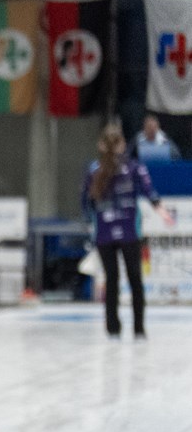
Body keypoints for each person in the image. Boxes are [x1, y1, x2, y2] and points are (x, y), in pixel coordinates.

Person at [81, 124, 173, 340]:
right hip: (129, 231)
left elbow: (84, 202)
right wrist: (161, 210)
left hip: (104, 233)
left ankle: (113, 329)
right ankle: (139, 328)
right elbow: (149, 191)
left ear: (101, 145)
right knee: (135, 279)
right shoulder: (133, 168)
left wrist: (90, 223)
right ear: (122, 145)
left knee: (111, 279)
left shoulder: (93, 170)